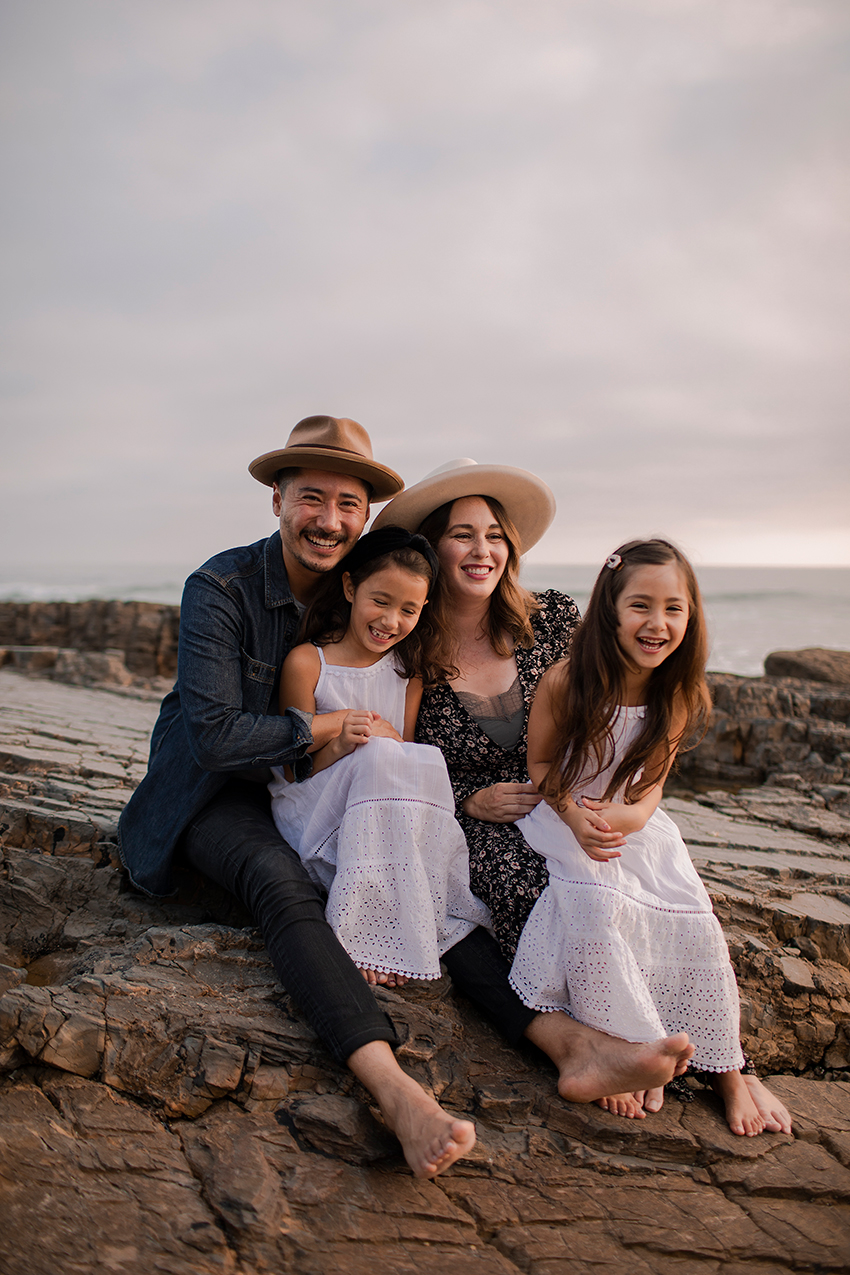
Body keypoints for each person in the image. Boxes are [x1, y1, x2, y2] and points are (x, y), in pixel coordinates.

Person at [377, 462, 791, 1133]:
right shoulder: (410, 646)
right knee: (523, 890)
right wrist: (466, 799)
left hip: (574, 797)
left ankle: (713, 1059)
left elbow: (620, 692)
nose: (482, 549)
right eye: (461, 534)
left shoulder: (553, 616)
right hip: (484, 819)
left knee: (643, 892)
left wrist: (616, 806)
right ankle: (610, 1037)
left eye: (494, 534)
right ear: (432, 546)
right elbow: (396, 760)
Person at [118, 416, 479, 1178]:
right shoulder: (220, 588)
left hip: (322, 794)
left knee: (438, 884)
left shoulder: (372, 602)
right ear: (276, 501)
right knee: (282, 885)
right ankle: (393, 1086)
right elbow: (214, 738)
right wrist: (324, 727)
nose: (329, 519)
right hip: (214, 791)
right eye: (310, 498)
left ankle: (566, 1038)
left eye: (349, 504)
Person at [509, 539, 773, 1135]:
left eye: (673, 608)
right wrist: (578, 816)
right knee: (594, 905)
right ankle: (625, 1044)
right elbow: (543, 765)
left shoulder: (672, 693)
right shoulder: (565, 681)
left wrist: (624, 821)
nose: (657, 624)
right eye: (640, 606)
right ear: (609, 609)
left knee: (692, 915)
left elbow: (652, 788)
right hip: (566, 814)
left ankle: (729, 1070)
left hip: (633, 823)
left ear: (691, 616)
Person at [268, 525, 490, 984]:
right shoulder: (309, 663)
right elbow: (291, 770)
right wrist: (342, 744)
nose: (391, 621)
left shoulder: (407, 673)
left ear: (423, 609)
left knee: (415, 758)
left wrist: (378, 746)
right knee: (374, 755)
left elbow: (402, 766)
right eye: (380, 601)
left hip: (377, 813)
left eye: (408, 609)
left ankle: (401, 921)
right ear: (350, 587)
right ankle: (364, 933)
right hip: (311, 803)